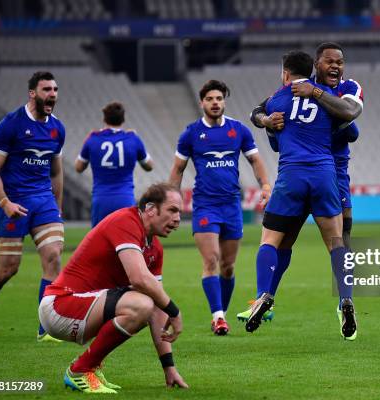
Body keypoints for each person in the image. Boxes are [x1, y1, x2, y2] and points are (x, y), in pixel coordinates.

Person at [239, 42, 363, 339]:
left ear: (285, 74)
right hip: (325, 176)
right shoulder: (329, 97)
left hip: (296, 175)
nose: (335, 66)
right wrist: (269, 122)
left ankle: (263, 295)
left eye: (339, 62)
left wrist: (268, 122)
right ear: (315, 66)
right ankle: (345, 298)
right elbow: (352, 131)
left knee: (273, 240)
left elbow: (258, 113)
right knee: (336, 240)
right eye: (329, 61)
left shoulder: (286, 97)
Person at [39, 183, 188, 393]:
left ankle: (91, 367)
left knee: (149, 303)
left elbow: (157, 310)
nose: (177, 219)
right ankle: (80, 370)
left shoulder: (155, 249)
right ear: (151, 209)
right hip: (60, 306)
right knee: (141, 304)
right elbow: (139, 279)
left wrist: (169, 367)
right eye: (172, 210)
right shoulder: (126, 221)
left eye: (180, 212)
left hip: (85, 306)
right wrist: (175, 311)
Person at [168, 80, 270, 336]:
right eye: (210, 99)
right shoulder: (191, 134)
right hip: (205, 206)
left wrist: (266, 185)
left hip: (231, 206)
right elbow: (178, 170)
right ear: (202, 102)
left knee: (228, 266)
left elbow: (255, 160)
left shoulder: (239, 130)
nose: (215, 103)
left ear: (224, 102)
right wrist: (171, 200)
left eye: (219, 98)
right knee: (211, 259)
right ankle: (218, 316)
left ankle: (219, 314)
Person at [0, 71, 65, 342]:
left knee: (53, 257)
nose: (53, 94)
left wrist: (56, 208)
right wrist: (5, 202)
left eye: (55, 90)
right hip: (13, 202)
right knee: (8, 268)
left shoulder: (57, 128)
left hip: (43, 201)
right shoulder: (10, 124)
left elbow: (56, 172)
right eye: (47, 89)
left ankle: (45, 328)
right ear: (32, 93)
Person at [75, 101, 154, 227]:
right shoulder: (132, 139)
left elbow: (78, 167)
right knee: (127, 240)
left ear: (104, 118)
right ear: (123, 119)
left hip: (101, 200)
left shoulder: (93, 139)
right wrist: (137, 140)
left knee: (99, 243)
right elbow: (149, 166)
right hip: (125, 199)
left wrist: (87, 139)